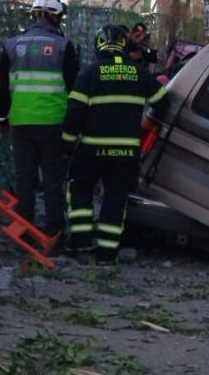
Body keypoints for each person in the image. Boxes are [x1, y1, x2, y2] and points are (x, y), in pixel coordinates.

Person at [62, 23, 171, 262]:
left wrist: (67, 145)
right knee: (115, 198)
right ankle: (107, 253)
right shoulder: (139, 73)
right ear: (125, 45)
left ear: (99, 44)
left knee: (80, 190)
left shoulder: (89, 73)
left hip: (91, 149)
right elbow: (163, 101)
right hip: (126, 152)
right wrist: (147, 120)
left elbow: (74, 112)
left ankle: (81, 244)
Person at [0, 0, 79, 242]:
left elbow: (1, 89)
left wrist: (1, 119)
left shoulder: (11, 45)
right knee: (53, 177)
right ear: (56, 17)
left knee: (25, 178)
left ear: (35, 14)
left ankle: (25, 230)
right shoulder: (64, 47)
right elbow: (74, 88)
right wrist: (75, 126)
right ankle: (54, 230)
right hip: (54, 122)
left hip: (20, 122)